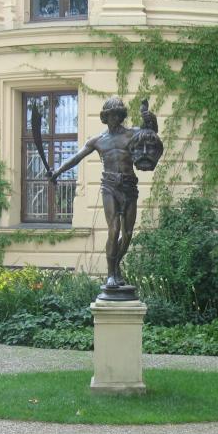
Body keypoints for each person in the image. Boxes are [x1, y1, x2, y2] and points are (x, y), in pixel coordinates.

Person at [49, 96, 156, 289]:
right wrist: (57, 171)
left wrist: (150, 118)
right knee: (114, 230)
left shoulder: (132, 134)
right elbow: (76, 158)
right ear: (105, 117)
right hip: (109, 187)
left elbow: (151, 133)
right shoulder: (98, 141)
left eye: (118, 114)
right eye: (111, 115)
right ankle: (110, 274)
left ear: (121, 116)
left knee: (128, 234)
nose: (115, 118)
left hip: (129, 187)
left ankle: (115, 265)